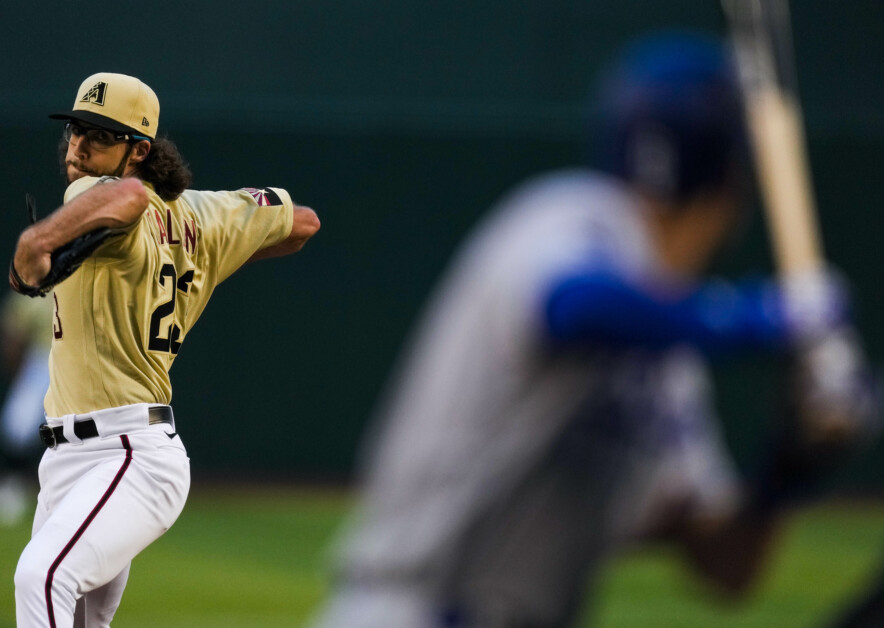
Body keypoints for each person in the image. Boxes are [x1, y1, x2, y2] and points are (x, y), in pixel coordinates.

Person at [307, 31, 875, 628]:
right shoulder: (571, 218)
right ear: (730, 194)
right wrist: (760, 319)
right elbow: (574, 306)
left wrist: (783, 472)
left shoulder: (666, 353)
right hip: (407, 611)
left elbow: (723, 568)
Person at [9, 72, 320, 628]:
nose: (79, 148)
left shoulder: (97, 191)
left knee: (43, 578)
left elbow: (128, 196)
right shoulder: (206, 215)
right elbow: (300, 225)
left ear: (140, 150)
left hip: (128, 454)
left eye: (100, 136)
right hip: (74, 461)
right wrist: (208, 260)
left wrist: (36, 242)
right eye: (77, 131)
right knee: (77, 617)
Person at [0, 291, 53, 526]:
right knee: (17, 424)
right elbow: (14, 328)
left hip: (76, 360)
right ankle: (15, 485)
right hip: (41, 359)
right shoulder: (43, 282)